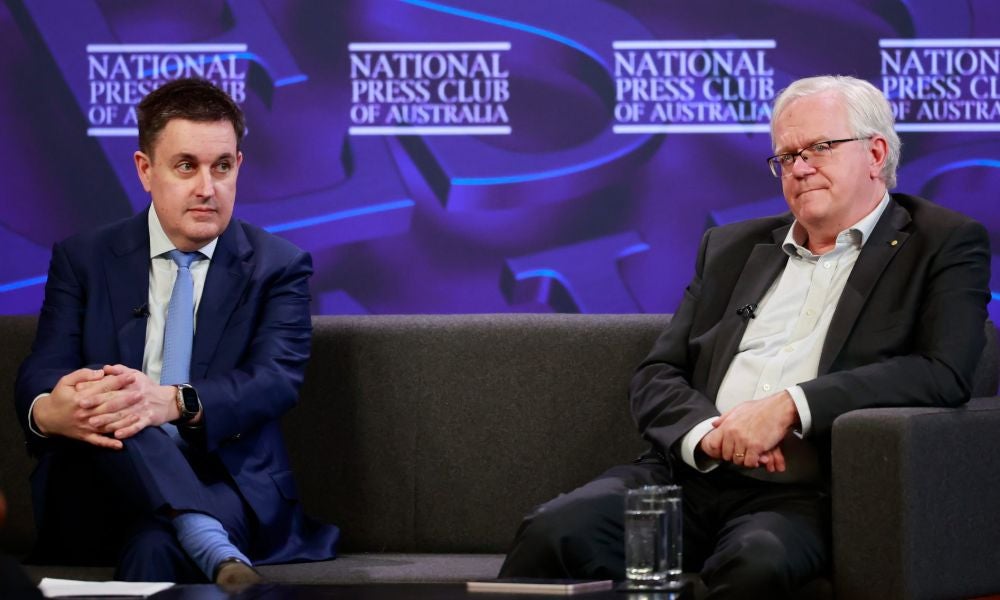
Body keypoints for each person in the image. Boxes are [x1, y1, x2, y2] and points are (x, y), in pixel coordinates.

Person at [498, 75, 991, 598]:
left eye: (819, 148)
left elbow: (943, 372)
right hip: (685, 479)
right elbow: (657, 373)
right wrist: (708, 434)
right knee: (554, 531)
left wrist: (789, 406)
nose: (800, 168)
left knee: (757, 564)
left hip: (801, 492)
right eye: (786, 156)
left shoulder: (942, 243)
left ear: (875, 153)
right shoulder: (732, 246)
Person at [14, 78, 338, 585]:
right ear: (146, 170)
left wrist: (172, 402)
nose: (207, 188)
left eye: (222, 167)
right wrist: (49, 411)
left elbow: (275, 380)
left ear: (239, 168)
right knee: (122, 404)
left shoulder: (278, 266)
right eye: (186, 166)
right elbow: (45, 366)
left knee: (153, 546)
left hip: (224, 479)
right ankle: (207, 539)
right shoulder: (84, 258)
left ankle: (192, 525)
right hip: (105, 477)